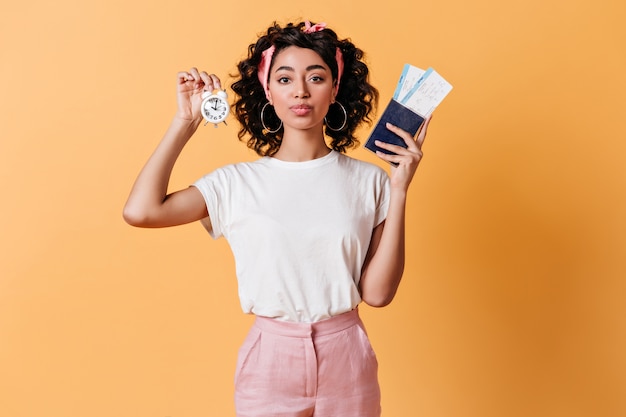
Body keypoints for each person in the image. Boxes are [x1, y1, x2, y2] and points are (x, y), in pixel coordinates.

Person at [123, 20, 431, 417]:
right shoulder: (235, 183)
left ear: (335, 88)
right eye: (284, 78)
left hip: (347, 355)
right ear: (267, 90)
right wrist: (185, 122)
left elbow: (378, 294)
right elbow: (141, 211)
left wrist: (401, 188)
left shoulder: (370, 180)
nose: (300, 91)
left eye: (315, 77)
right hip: (270, 358)